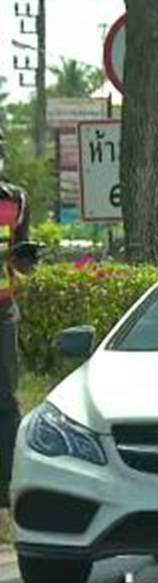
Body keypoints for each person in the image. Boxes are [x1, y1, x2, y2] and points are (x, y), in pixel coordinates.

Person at [1, 127, 35, 509]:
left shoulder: (16, 200)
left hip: (2, 311)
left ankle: (6, 485)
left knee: (5, 399)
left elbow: (23, 264)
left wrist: (25, 258)